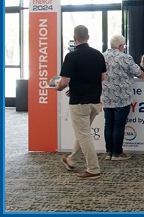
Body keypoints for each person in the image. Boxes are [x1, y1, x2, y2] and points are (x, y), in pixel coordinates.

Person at [57, 25, 106, 179]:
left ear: (74, 37)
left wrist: (58, 87)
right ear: (88, 37)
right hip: (95, 101)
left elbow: (64, 82)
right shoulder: (98, 54)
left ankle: (93, 169)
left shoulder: (71, 56)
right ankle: (71, 160)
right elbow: (103, 77)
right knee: (83, 133)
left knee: (84, 135)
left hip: (79, 102)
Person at [101, 34, 144, 162]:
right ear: (121, 46)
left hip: (106, 97)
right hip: (122, 98)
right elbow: (139, 73)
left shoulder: (102, 57)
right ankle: (117, 153)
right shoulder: (125, 57)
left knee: (108, 124)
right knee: (119, 125)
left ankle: (108, 152)